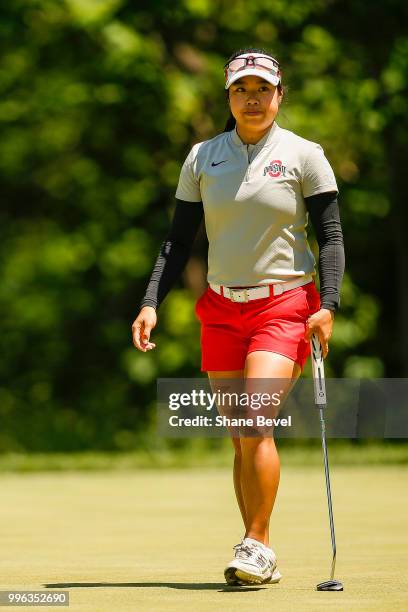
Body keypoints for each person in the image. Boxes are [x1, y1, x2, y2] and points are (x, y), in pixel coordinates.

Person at [132, 47, 345, 586]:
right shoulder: (204, 157)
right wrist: (151, 301)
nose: (253, 99)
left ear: (279, 95)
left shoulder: (304, 155)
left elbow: (331, 236)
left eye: (263, 90)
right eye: (241, 91)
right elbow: (177, 241)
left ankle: (256, 544)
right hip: (222, 308)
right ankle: (258, 549)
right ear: (228, 97)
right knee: (241, 438)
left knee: (255, 423)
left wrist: (328, 305)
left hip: (285, 304)